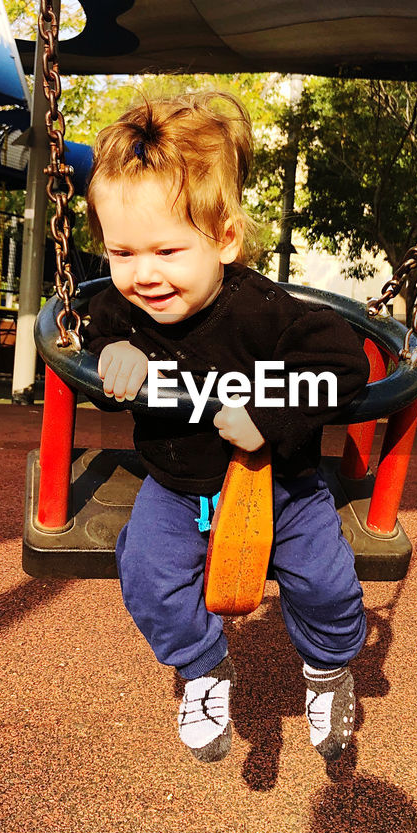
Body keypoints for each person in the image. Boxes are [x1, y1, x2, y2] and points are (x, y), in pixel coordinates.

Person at [83, 90, 371, 764]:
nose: (144, 275)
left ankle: (329, 669)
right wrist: (112, 354)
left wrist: (268, 413)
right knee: (147, 571)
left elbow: (343, 366)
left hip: (284, 484)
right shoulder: (121, 311)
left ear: (225, 240)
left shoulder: (270, 313)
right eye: (123, 254)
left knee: (326, 583)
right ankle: (202, 666)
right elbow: (94, 335)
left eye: (167, 251)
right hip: (179, 484)